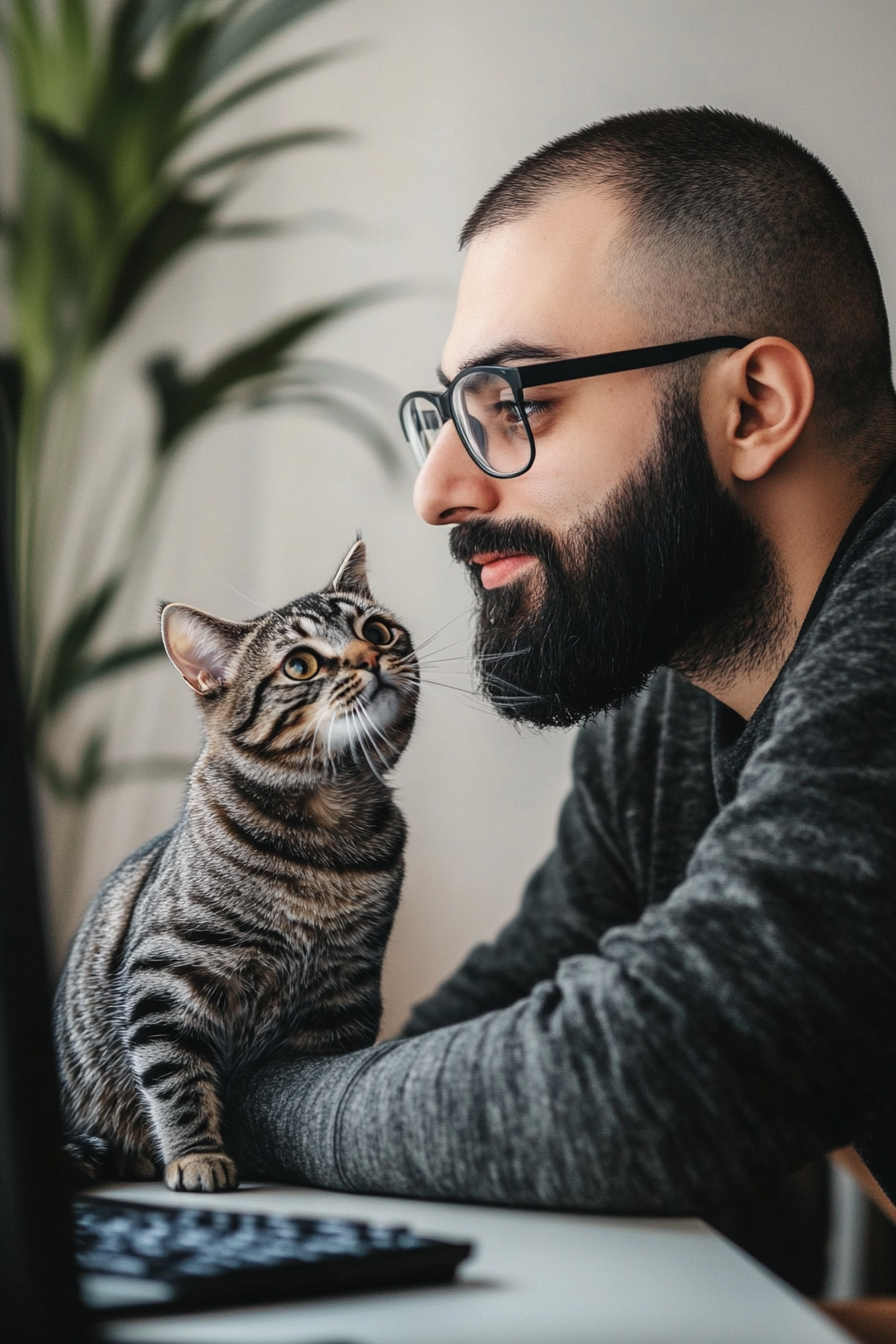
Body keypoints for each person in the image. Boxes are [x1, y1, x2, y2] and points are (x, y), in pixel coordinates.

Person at [231, 108, 896, 1250]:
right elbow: (496, 1034)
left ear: (753, 409)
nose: (436, 491)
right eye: (447, 413)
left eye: (515, 403)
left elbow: (641, 1080)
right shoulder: (670, 714)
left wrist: (224, 1109)